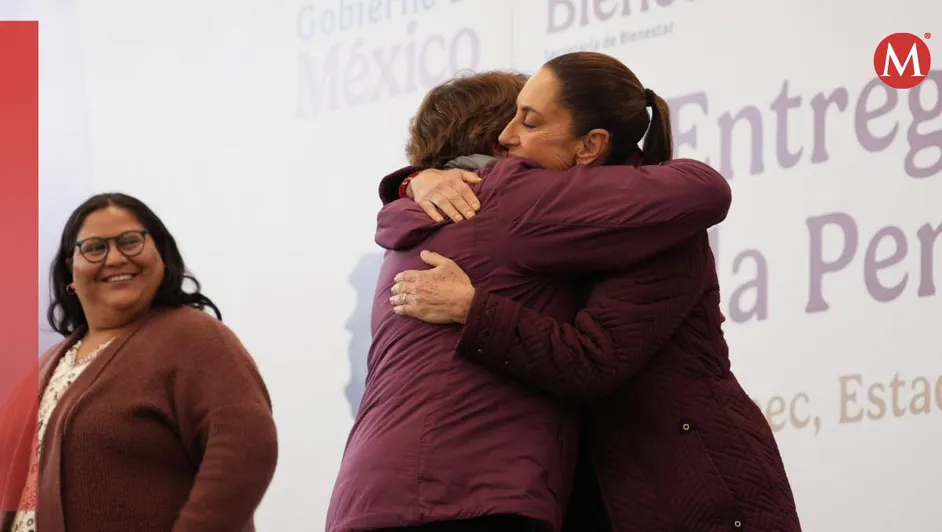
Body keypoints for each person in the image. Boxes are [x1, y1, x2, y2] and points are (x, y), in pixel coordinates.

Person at [382, 52, 803, 531]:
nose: (506, 138)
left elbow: (593, 360)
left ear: (589, 146)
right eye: (510, 116)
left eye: (530, 122)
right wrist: (415, 180)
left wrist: (473, 309)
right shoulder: (542, 220)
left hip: (695, 493)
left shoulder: (659, 225)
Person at [0, 193, 278, 532]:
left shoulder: (194, 338)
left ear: (162, 256)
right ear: (70, 271)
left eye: (131, 242)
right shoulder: (47, 365)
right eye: (95, 247)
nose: (115, 258)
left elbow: (245, 448)